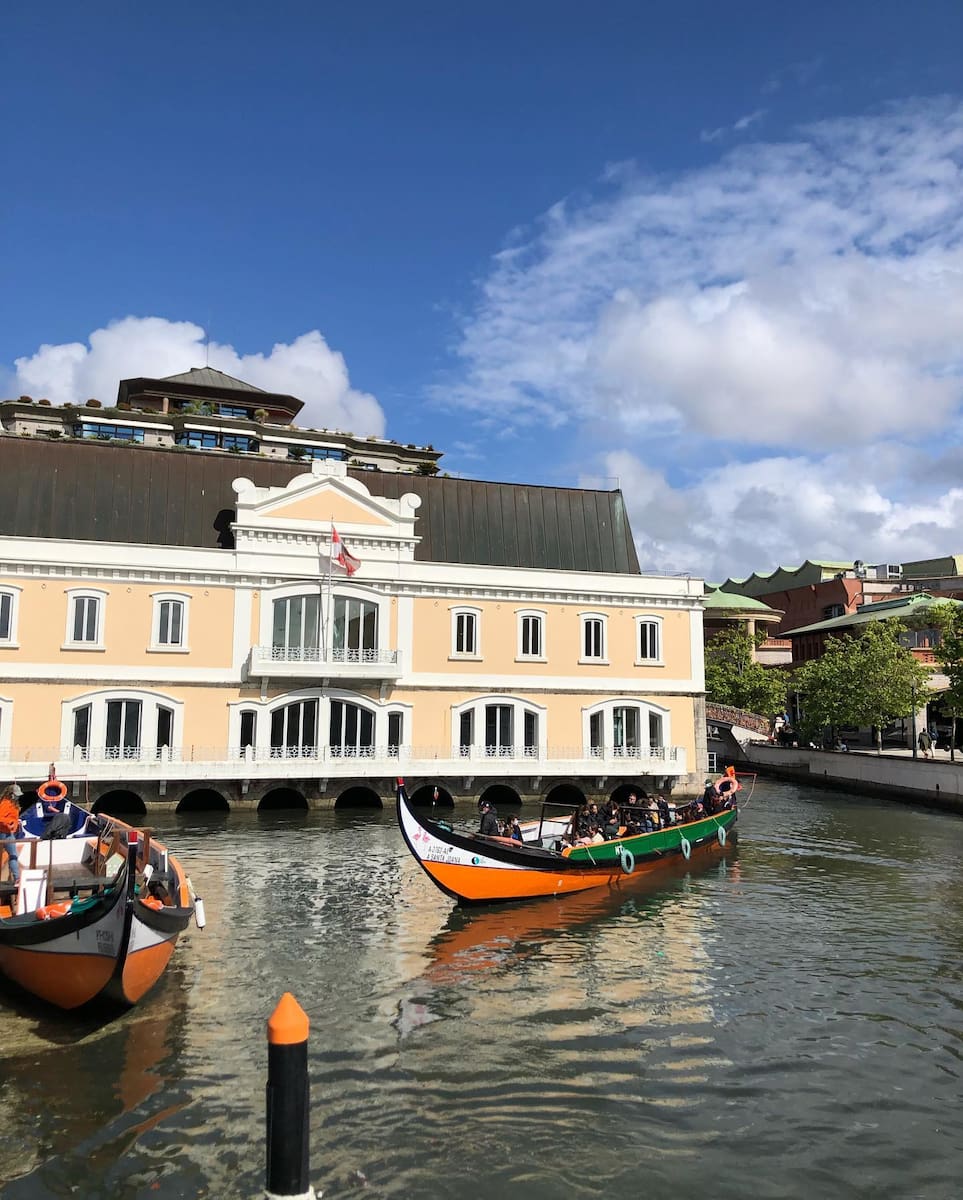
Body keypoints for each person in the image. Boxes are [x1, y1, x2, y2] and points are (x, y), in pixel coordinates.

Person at [0, 785, 23, 897]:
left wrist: (15, 821)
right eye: (16, 795)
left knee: (12, 855)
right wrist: (10, 823)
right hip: (5, 833)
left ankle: (16, 878)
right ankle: (17, 878)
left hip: (9, 832)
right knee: (13, 855)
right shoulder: (6, 803)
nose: (17, 797)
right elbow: (0, 817)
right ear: (11, 794)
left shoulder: (12, 803)